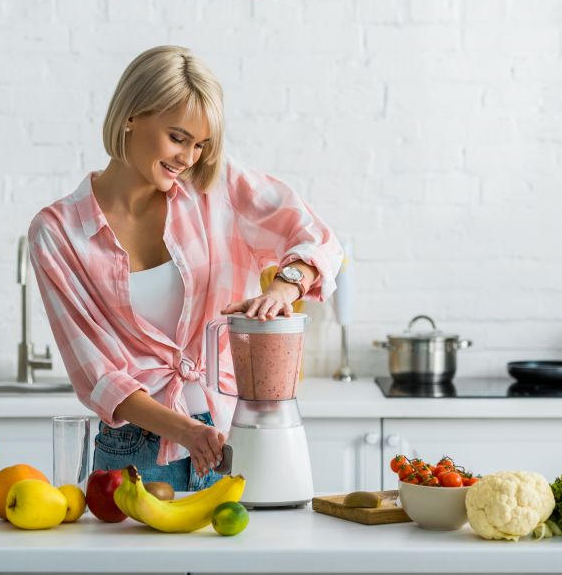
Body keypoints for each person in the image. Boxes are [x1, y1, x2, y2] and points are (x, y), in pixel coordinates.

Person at [28, 45, 342, 491]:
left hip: (234, 433)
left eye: (200, 145)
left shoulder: (219, 188)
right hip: (134, 454)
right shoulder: (57, 233)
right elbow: (97, 376)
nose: (189, 158)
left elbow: (317, 237)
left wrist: (282, 289)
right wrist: (186, 432)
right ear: (131, 116)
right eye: (178, 138)